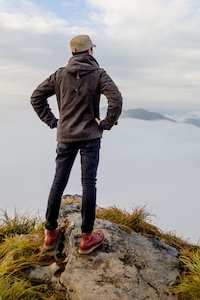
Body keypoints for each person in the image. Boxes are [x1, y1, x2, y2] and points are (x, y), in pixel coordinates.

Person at [31, 34, 122, 254]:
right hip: (90, 136)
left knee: (58, 183)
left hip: (65, 136)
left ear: (73, 53)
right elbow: (116, 99)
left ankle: (50, 234)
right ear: (90, 51)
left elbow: (36, 97)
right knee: (88, 184)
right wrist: (105, 124)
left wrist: (53, 121)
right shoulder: (99, 74)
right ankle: (86, 239)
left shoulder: (60, 75)